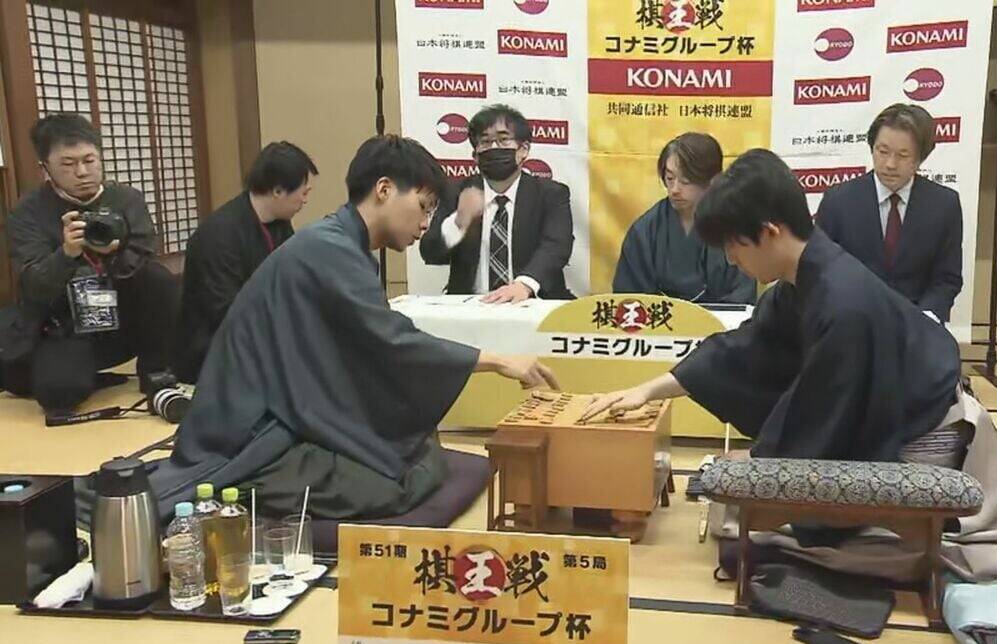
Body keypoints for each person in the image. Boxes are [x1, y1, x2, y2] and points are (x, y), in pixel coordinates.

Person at [135, 135, 558, 520]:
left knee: (418, 448)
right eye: (424, 206)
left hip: (290, 405)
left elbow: (366, 347)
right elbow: (390, 340)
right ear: (384, 190)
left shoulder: (340, 243)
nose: (426, 223)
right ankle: (240, 491)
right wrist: (496, 360)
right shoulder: (328, 248)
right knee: (392, 483)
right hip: (252, 429)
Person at [582, 149, 961, 462]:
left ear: (769, 232)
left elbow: (827, 417)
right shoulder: (806, 275)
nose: (731, 259)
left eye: (733, 244)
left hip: (925, 430)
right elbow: (743, 349)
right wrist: (646, 391)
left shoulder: (842, 301)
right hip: (896, 415)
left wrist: (759, 458)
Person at [1, 113, 177, 416]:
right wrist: (66, 254)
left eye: (89, 160)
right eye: (68, 164)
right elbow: (33, 284)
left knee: (158, 278)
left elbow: (145, 251)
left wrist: (111, 255)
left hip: (123, 314)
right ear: (45, 168)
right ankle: (79, 374)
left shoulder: (126, 199)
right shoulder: (28, 212)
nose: (82, 172)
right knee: (58, 395)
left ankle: (155, 370)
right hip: (65, 322)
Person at [173, 142, 317, 383]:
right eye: (303, 192)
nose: (305, 200)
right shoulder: (218, 235)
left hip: (259, 336)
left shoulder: (279, 223)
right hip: (214, 351)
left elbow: (292, 280)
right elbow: (227, 312)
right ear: (278, 191)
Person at [816, 103, 963, 323]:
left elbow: (947, 278)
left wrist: (925, 319)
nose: (890, 164)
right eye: (882, 152)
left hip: (917, 325)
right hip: (850, 325)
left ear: (920, 159)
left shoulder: (944, 205)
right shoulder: (838, 201)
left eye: (903, 155)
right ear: (872, 148)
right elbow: (820, 270)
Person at [420, 104, 574, 302]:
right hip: (471, 307)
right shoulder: (456, 193)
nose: (494, 148)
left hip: (535, 303)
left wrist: (524, 285)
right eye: (485, 142)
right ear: (475, 156)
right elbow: (430, 253)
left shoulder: (551, 194)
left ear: (523, 149)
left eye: (503, 140)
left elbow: (557, 246)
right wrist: (458, 222)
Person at [612, 132, 755, 305]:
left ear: (713, 180)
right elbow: (630, 297)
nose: (675, 189)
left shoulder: (734, 228)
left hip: (721, 319)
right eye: (670, 178)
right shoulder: (645, 230)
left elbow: (741, 296)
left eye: (685, 181)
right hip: (659, 319)